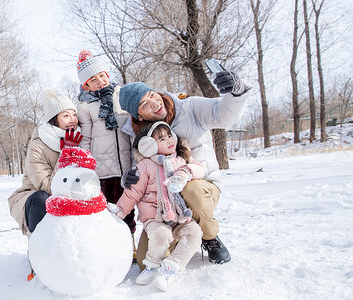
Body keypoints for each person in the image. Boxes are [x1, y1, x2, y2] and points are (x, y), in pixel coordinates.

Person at [118, 69, 251, 267]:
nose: (154, 102)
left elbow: (223, 114)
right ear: (138, 115)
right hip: (163, 203)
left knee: (190, 190)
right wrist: (127, 178)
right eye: (145, 104)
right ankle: (179, 237)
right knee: (145, 261)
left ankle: (209, 237)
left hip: (200, 186)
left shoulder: (190, 107)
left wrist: (236, 93)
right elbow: (137, 169)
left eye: (152, 94)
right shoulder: (138, 135)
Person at [109, 121, 203, 291]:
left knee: (194, 233)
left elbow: (199, 168)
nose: (169, 140)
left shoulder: (181, 159)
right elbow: (133, 192)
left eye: (169, 135)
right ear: (149, 146)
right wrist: (121, 210)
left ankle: (172, 267)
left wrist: (185, 171)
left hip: (180, 215)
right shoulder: (144, 165)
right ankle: (153, 265)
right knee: (161, 235)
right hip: (155, 216)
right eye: (161, 139)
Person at [75, 50, 137, 241]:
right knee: (108, 209)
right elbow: (85, 138)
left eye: (102, 75)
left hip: (125, 166)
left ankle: (129, 242)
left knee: (126, 209)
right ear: (86, 85)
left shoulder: (123, 96)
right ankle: (112, 245)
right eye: (93, 79)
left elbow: (133, 128)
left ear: (107, 75)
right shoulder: (85, 107)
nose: (100, 81)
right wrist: (87, 167)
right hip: (102, 169)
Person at [7, 89, 82, 237]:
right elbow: (48, 187)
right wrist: (66, 153)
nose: (72, 120)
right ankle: (38, 246)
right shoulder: (38, 146)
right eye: (66, 116)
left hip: (71, 194)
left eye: (74, 114)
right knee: (42, 198)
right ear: (54, 119)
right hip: (37, 197)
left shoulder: (79, 137)